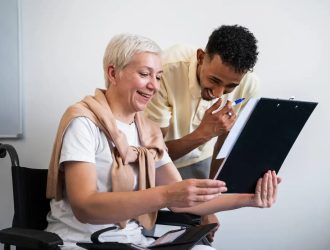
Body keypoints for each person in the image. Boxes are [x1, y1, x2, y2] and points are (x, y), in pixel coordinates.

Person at [45, 33, 280, 250]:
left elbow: (184, 203)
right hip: (80, 242)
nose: (154, 86)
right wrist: (166, 195)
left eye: (158, 77)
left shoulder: (148, 132)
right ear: (113, 73)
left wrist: (250, 198)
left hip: (133, 241)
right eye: (145, 74)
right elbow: (85, 206)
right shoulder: (83, 123)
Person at [144, 24, 260, 180]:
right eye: (214, 80)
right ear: (200, 57)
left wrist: (214, 188)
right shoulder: (163, 70)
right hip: (159, 163)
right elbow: (152, 154)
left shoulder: (250, 85)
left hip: (205, 159)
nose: (218, 93)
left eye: (231, 86)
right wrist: (204, 133)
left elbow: (227, 145)